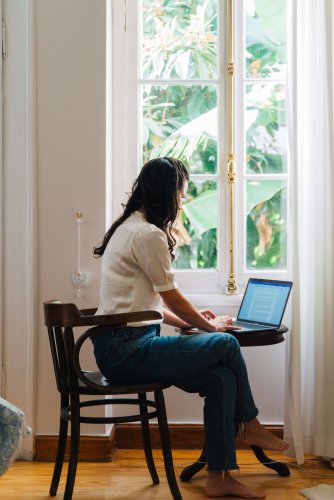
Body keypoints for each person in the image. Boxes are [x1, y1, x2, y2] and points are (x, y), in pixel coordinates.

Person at [92, 157, 288, 499]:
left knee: (221, 380)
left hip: (123, 347)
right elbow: (171, 299)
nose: (182, 202)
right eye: (182, 195)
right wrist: (211, 328)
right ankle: (251, 426)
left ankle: (219, 477)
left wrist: (199, 323)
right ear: (169, 194)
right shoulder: (147, 234)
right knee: (227, 344)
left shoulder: (128, 228)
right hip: (128, 353)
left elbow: (150, 306)